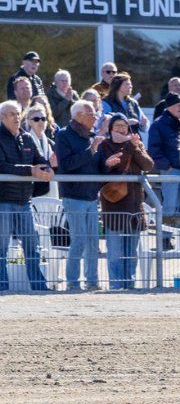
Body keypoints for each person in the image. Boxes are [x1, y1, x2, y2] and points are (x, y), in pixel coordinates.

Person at [96, 113, 154, 290]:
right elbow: (117, 167)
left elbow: (148, 165)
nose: (121, 129)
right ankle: (115, 285)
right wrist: (130, 146)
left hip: (135, 206)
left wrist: (136, 148)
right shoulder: (105, 145)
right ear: (110, 128)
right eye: (117, 126)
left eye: (124, 126)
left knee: (131, 253)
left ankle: (129, 284)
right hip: (114, 206)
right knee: (115, 253)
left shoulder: (135, 144)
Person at [0, 99, 50, 291]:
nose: (16, 117)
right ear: (2, 117)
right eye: (12, 114)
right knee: (1, 248)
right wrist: (31, 170)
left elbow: (40, 159)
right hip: (3, 201)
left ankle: (39, 287)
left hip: (24, 201)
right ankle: (2, 287)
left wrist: (47, 168)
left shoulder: (27, 137)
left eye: (18, 114)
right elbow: (3, 166)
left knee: (32, 246)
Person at [54, 100, 103, 289]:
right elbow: (66, 165)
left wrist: (108, 164)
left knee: (93, 242)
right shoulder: (63, 135)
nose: (95, 117)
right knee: (79, 240)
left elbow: (96, 166)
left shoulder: (91, 136)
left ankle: (92, 282)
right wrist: (91, 151)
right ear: (79, 116)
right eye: (92, 114)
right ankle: (72, 283)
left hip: (91, 196)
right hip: (74, 196)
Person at [147, 96, 180, 213]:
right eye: (177, 105)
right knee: (170, 206)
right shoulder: (158, 124)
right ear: (169, 107)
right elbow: (154, 149)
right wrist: (167, 166)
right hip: (171, 170)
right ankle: (166, 226)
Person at [102, 73, 141, 137]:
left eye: (130, 84)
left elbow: (142, 125)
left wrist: (144, 124)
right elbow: (105, 124)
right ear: (118, 86)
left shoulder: (133, 103)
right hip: (114, 141)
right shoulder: (106, 102)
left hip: (134, 140)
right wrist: (127, 122)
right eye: (127, 84)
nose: (131, 86)